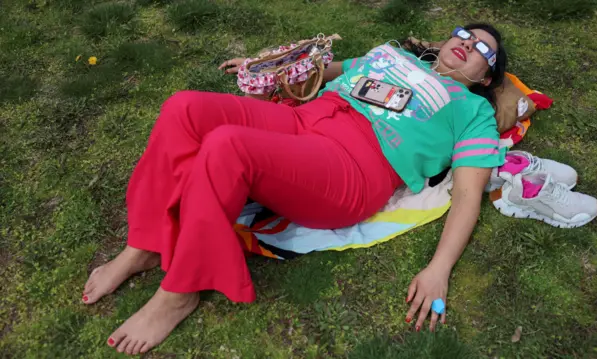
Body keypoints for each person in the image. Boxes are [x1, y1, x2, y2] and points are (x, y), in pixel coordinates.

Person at [82, 23, 520, 355]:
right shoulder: (391, 55)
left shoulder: (471, 111)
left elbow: (466, 195)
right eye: (465, 33)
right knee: (184, 108)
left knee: (226, 147)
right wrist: (268, 70)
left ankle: (179, 294)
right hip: (302, 122)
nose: (468, 43)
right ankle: (144, 246)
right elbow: (327, 71)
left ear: (486, 77)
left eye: (483, 49)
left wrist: (438, 268)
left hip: (355, 167)